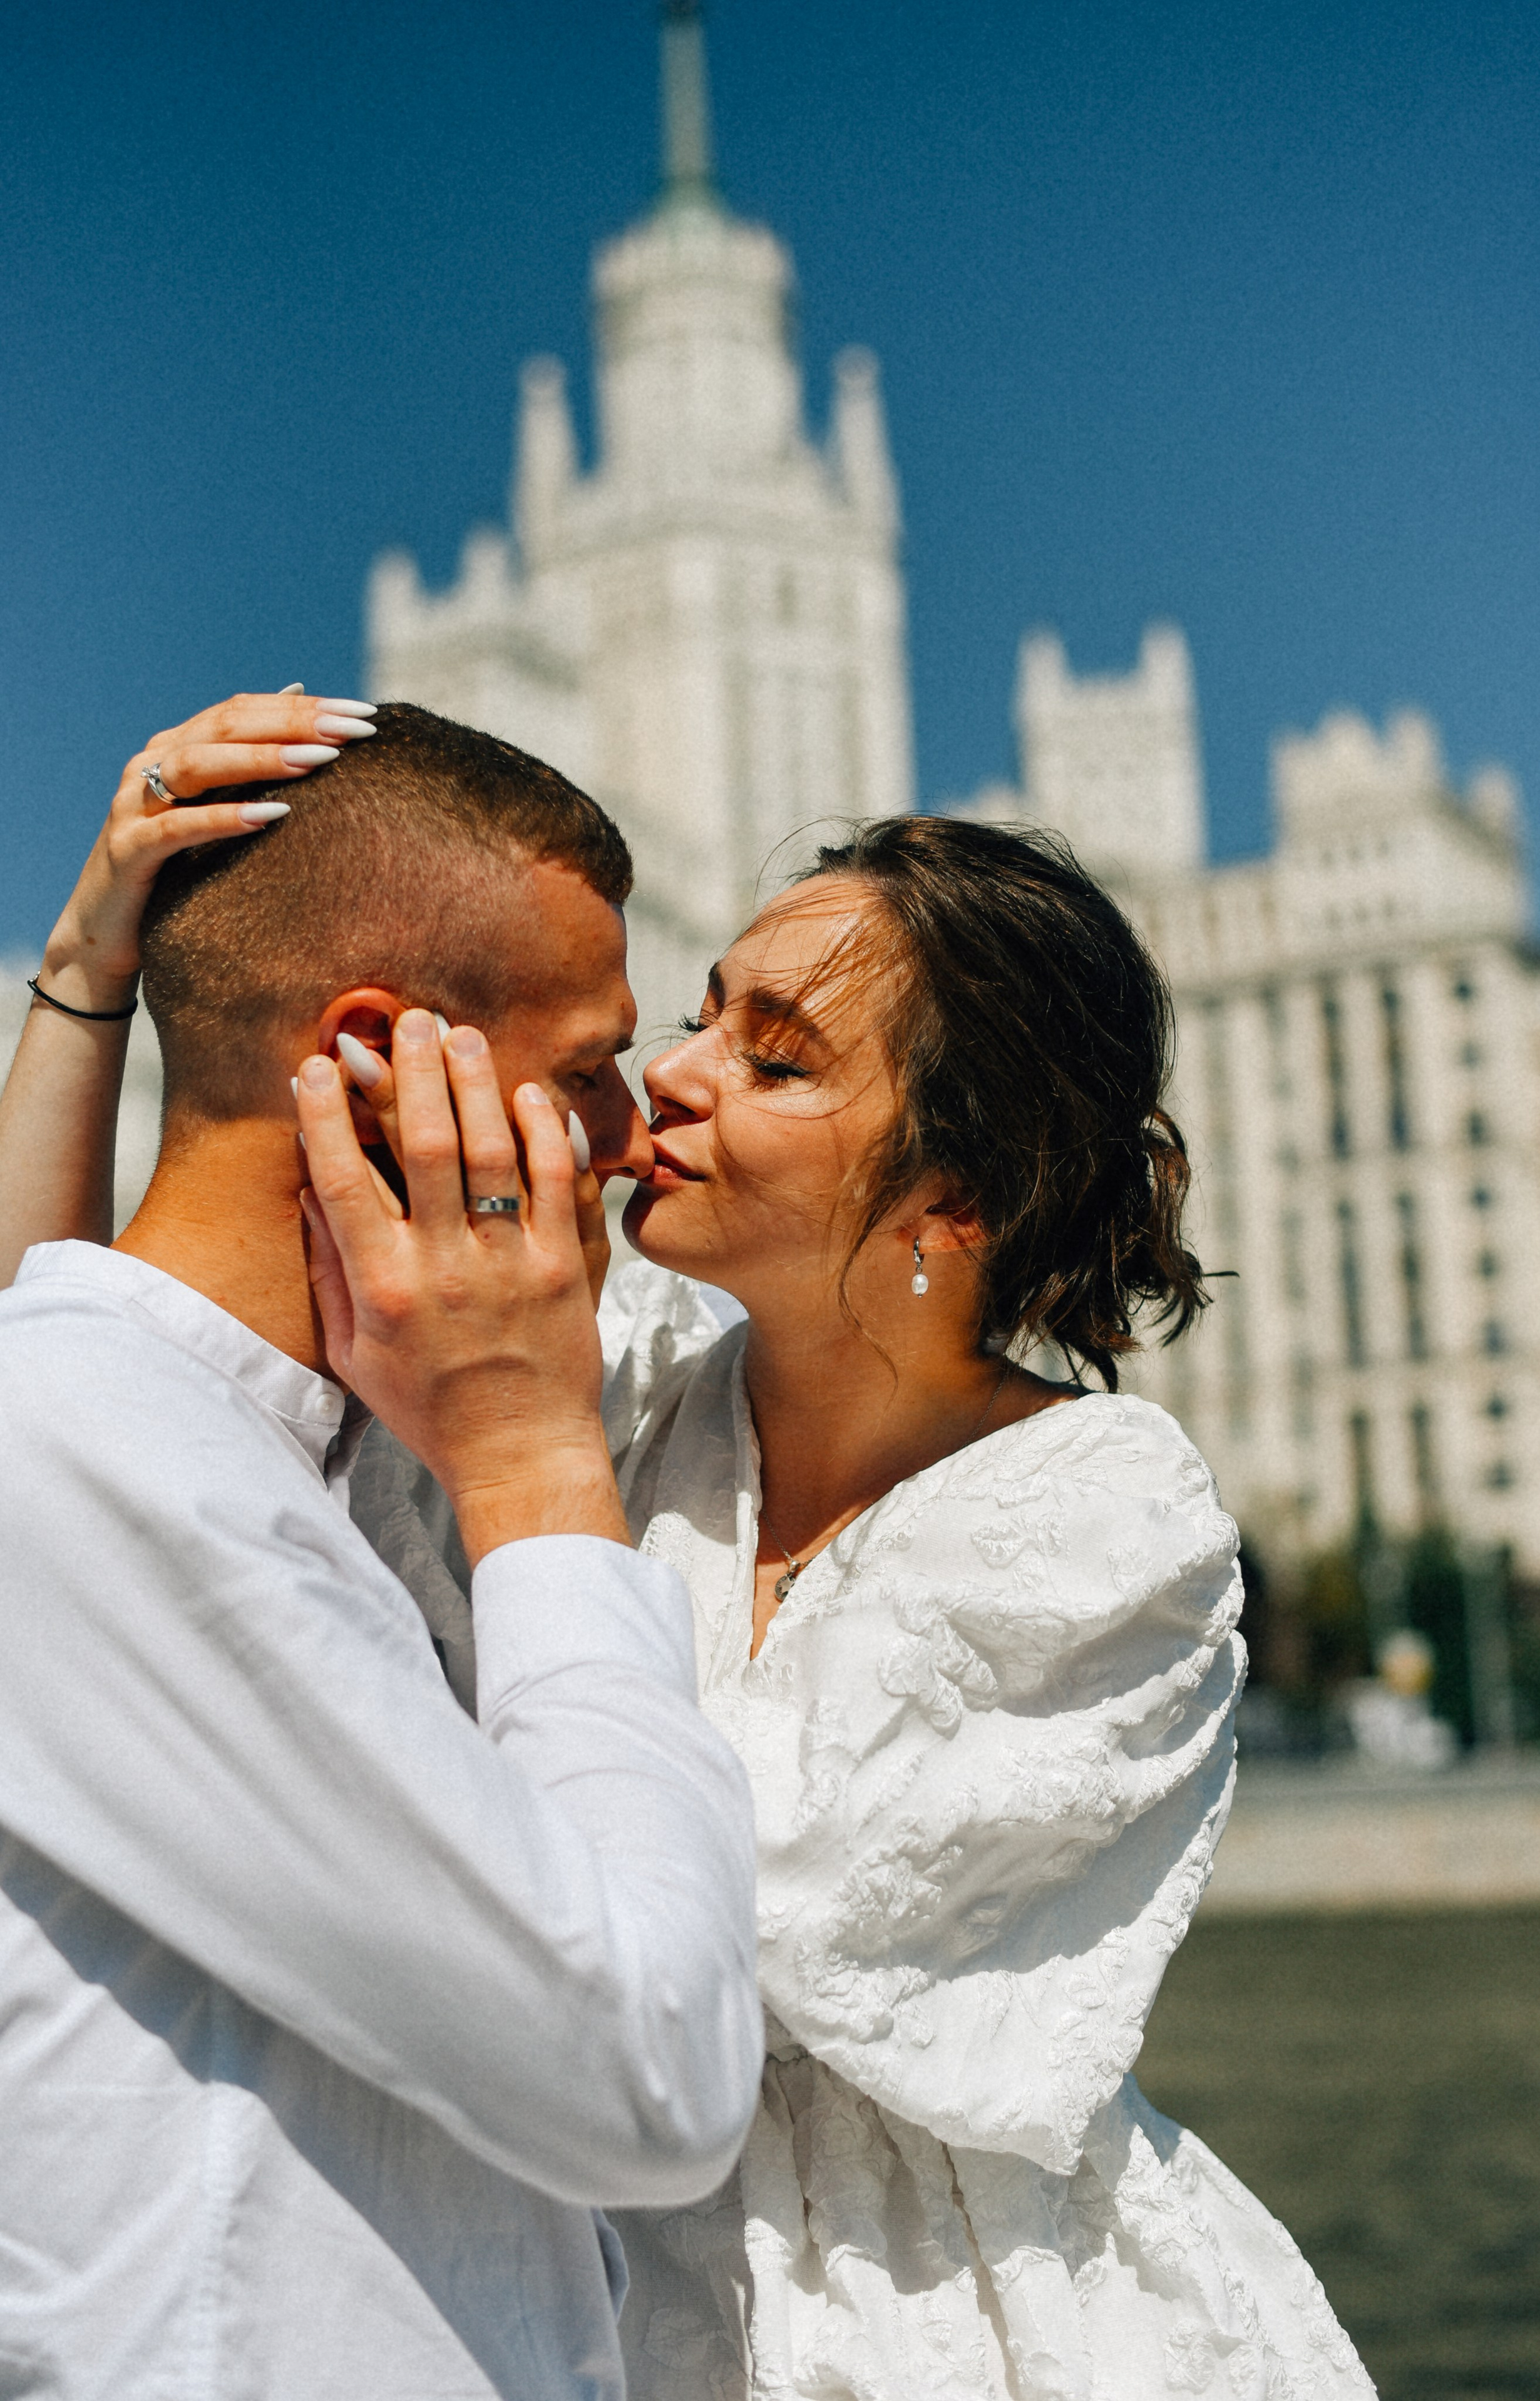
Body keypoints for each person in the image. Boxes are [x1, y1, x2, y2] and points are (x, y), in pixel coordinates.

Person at [5, 706, 1377, 2399]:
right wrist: (92, 979)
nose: (663, 1079)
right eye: (692, 1015)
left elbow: (698, 1959)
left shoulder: (1093, 1511)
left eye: (777, 1056)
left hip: (924, 2320)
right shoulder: (612, 1372)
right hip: (583, 2275)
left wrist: (523, 1446)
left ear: (955, 1196)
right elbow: (113, 1390)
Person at [0, 692, 762, 2399]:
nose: (633, 1132)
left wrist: (88, 970)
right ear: (369, 1061)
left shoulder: (265, 1451)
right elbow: (655, 2071)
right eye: (584, 1068)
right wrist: (536, 1450)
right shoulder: (94, 1447)